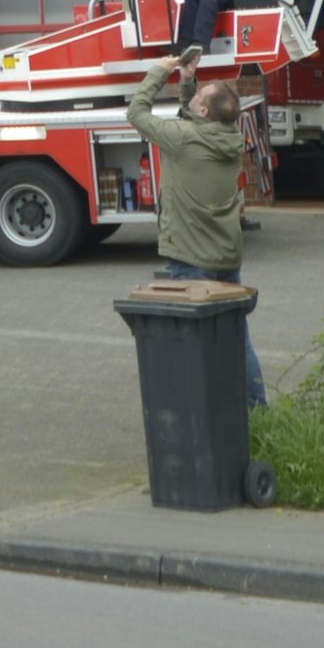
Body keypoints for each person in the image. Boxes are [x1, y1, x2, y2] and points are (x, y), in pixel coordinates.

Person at [128, 48, 266, 407]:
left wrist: (159, 72)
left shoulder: (184, 138)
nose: (196, 98)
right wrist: (188, 83)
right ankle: (256, 409)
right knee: (237, 338)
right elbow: (197, 118)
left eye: (200, 97)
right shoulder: (230, 138)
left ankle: (204, 413)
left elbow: (137, 113)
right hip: (225, 258)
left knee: (193, 342)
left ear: (203, 111)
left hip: (191, 259)